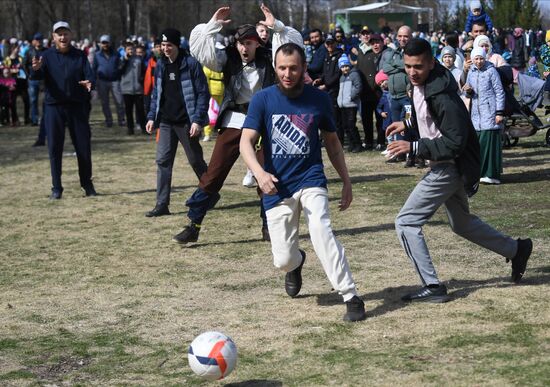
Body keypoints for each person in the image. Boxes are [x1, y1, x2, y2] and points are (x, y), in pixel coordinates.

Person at [385, 38, 532, 302]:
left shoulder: (442, 95)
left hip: (449, 165)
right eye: (408, 66)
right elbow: (426, 115)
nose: (411, 72)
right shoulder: (423, 83)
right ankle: (516, 249)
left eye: (417, 66)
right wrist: (406, 123)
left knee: (406, 222)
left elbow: (454, 141)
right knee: (461, 223)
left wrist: (414, 146)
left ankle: (432, 286)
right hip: (446, 162)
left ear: (432, 62)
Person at [240, 42, 366, 322]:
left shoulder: (318, 99)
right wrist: (260, 174)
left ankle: (351, 295)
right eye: (282, 68)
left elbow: (332, 143)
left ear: (304, 68)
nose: (288, 73)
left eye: (293, 68)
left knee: (321, 228)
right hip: (275, 184)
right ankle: (296, 262)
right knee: (282, 260)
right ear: (275, 69)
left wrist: (346, 181)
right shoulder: (263, 99)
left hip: (311, 178)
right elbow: (245, 142)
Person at [172, 4, 302, 244]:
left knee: (267, 175)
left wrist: (277, 26)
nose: (245, 47)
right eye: (241, 43)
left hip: (263, 123)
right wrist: (212, 24)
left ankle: (268, 226)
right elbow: (200, 49)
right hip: (234, 120)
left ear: (257, 44)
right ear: (236, 44)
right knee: (213, 174)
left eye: (250, 43)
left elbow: (293, 47)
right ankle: (193, 225)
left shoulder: (270, 59)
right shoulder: (226, 59)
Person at [144, 28, 209, 217]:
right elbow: (156, 94)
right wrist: (151, 117)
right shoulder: (160, 66)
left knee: (195, 160)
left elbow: (203, 93)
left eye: (169, 45)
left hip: (186, 122)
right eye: (162, 45)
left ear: (177, 45)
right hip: (165, 122)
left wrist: (197, 120)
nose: (165, 49)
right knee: (163, 161)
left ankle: (210, 193)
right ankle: (162, 204)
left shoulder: (190, 64)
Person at [30, 21, 96, 199]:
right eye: (59, 34)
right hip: (54, 107)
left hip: (77, 106)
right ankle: (56, 188)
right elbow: (37, 76)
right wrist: (35, 70)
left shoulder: (80, 55)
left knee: (83, 146)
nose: (62, 37)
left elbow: (90, 76)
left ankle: (87, 184)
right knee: (54, 148)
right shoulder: (47, 56)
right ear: (53, 37)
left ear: (70, 35)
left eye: (65, 33)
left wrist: (90, 83)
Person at [463, 47, 505, 185]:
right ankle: (480, 173)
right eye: (476, 59)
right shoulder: (471, 72)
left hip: (490, 112)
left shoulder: (491, 71)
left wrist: (499, 112)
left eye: (481, 58)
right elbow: (469, 93)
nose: (479, 61)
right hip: (476, 115)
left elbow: (499, 92)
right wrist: (468, 91)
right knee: (479, 145)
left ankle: (491, 174)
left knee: (489, 144)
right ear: (473, 59)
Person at [355, 33, 387, 150]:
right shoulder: (362, 53)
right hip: (365, 92)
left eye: (377, 42)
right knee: (366, 119)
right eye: (373, 43)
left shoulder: (383, 54)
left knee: (380, 118)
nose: (375, 45)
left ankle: (381, 141)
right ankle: (368, 141)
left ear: (383, 42)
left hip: (379, 93)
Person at [93, 34, 125, 128]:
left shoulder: (116, 54)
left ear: (110, 43)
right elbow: (94, 68)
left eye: (106, 42)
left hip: (115, 81)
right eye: (103, 43)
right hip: (102, 81)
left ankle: (121, 120)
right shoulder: (97, 55)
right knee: (105, 103)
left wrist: (119, 73)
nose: (105, 45)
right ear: (100, 44)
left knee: (119, 101)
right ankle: (109, 121)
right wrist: (94, 81)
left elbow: (121, 65)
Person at [336, 54, 362, 152]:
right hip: (343, 105)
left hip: (351, 104)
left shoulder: (354, 74)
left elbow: (358, 87)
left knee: (351, 125)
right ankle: (351, 144)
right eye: (342, 67)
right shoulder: (342, 77)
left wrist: (351, 97)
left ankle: (358, 144)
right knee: (345, 126)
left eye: (346, 66)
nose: (345, 68)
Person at [120, 41, 146, 135]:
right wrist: (126, 60)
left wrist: (142, 79)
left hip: (138, 89)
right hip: (126, 89)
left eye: (132, 49)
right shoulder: (122, 60)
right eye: (128, 49)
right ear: (125, 50)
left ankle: (144, 128)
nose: (131, 51)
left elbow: (143, 71)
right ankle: (130, 128)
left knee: (140, 110)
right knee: (128, 110)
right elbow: (120, 71)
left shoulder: (139, 59)